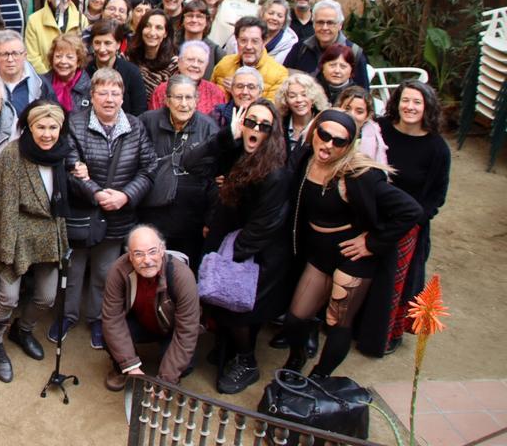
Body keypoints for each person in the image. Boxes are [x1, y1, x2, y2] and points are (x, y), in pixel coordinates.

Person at [281, 110, 421, 378]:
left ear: (348, 146)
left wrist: (373, 241)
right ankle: (296, 358)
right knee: (296, 318)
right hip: (319, 254)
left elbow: (410, 210)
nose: (328, 144)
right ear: (315, 132)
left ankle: (319, 376)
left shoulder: (359, 174)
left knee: (337, 322)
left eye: (338, 141)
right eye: (324, 135)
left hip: (352, 259)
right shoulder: (305, 159)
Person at [190, 99, 293, 394]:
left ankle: (246, 360)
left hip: (256, 250)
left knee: (239, 307)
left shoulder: (276, 172)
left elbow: (265, 225)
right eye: (250, 122)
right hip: (229, 239)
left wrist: (229, 260)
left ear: (272, 133)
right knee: (223, 304)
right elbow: (192, 163)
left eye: (264, 126)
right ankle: (230, 348)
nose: (255, 129)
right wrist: (226, 136)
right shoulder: (236, 151)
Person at [57, 68, 156, 349]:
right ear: (92, 96)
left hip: (118, 215)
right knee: (73, 271)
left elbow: (148, 168)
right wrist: (97, 193)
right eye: (103, 92)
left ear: (123, 97)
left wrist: (125, 196)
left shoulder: (136, 126)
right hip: (82, 213)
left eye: (115, 93)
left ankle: (97, 319)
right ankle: (67, 316)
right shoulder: (75, 123)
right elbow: (70, 166)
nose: (109, 99)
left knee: (104, 272)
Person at [0, 101, 72, 383]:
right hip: (16, 228)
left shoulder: (62, 153)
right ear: (29, 128)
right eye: (40, 127)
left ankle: (23, 329)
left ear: (60, 128)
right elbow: (3, 204)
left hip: (48, 229)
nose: (46, 134)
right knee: (8, 296)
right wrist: (4, 249)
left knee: (47, 296)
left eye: (52, 127)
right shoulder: (13, 154)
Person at [358, 80, 450, 357]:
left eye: (417, 102)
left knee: (391, 285)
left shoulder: (437, 148)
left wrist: (410, 223)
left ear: (427, 107)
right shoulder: (380, 130)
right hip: (371, 213)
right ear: (396, 102)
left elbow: (436, 196)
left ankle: (386, 335)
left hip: (407, 225)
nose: (410, 107)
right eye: (405, 100)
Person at [100, 225, 200, 391]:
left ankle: (169, 376)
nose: (147, 260)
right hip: (141, 321)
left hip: (172, 328)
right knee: (106, 333)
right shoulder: (118, 270)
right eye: (138, 254)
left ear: (162, 250)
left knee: (184, 365)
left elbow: (187, 331)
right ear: (129, 256)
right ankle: (122, 369)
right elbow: (112, 318)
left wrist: (166, 380)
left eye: (153, 251)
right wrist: (131, 366)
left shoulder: (182, 276)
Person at [138, 74, 220, 269]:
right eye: (178, 97)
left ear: (197, 99)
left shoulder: (208, 128)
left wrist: (210, 219)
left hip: (191, 220)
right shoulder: (147, 122)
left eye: (189, 97)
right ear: (167, 100)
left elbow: (215, 180)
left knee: (183, 276)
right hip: (151, 216)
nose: (184, 104)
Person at [286, 0, 370, 88]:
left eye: (330, 23)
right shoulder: (301, 48)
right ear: (313, 24)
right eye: (320, 22)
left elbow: (362, 93)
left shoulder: (354, 53)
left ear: (340, 25)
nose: (325, 27)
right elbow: (284, 78)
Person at [211, 16, 289, 101]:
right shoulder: (224, 63)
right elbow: (208, 97)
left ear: (264, 42)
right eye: (243, 40)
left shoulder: (279, 74)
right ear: (236, 41)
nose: (248, 46)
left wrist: (239, 91)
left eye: (255, 41)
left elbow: (272, 110)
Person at [24, 0, 87, 74]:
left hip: (73, 78)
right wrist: (49, 80)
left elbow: (83, 55)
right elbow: (32, 56)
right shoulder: (34, 20)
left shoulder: (81, 20)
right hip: (44, 80)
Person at [148, 40, 228, 115]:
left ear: (206, 65)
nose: (195, 65)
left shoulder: (216, 93)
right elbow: (154, 122)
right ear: (179, 62)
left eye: (200, 61)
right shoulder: (162, 91)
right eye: (190, 60)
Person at [87, 20, 146, 116]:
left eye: (107, 43)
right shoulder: (84, 71)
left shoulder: (131, 72)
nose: (102, 49)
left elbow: (140, 110)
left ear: (118, 44)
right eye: (97, 43)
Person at [277, 72, 329, 159]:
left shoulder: (323, 124)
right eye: (292, 96)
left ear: (313, 97)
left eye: (304, 95)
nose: (299, 100)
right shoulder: (279, 124)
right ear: (286, 101)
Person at [133, 9, 178, 106]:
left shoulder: (174, 65)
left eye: (159, 28)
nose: (152, 32)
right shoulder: (128, 58)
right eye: (148, 26)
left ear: (165, 33)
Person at [42, 32, 92, 113]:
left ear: (78, 61)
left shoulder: (89, 87)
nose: (63, 61)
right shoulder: (41, 84)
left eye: (69, 57)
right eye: (58, 56)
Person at [336, 86, 386, 163]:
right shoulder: (326, 131)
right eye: (347, 109)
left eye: (359, 111)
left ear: (367, 116)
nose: (351, 115)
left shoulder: (375, 138)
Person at [179, 0, 223, 75]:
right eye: (189, 15)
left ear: (207, 21)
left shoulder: (216, 52)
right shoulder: (170, 45)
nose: (194, 20)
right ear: (183, 20)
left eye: (199, 16)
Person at [258, 0, 298, 65]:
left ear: (285, 20)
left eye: (280, 16)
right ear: (262, 14)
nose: (274, 18)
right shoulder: (249, 30)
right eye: (270, 13)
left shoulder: (289, 42)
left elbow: (275, 67)